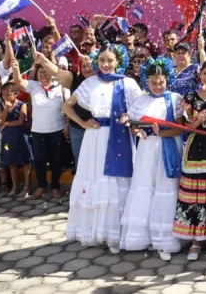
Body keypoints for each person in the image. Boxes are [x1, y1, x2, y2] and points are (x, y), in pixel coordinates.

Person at [63, 44, 143, 253]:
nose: (105, 65)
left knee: (117, 183)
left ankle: (118, 233)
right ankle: (98, 232)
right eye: (101, 61)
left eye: (109, 60)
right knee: (98, 180)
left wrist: (131, 120)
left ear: (118, 61)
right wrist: (82, 123)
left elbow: (140, 110)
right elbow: (66, 105)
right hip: (96, 139)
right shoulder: (89, 83)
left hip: (120, 138)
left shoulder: (128, 84)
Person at [119, 58, 184, 261]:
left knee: (166, 189)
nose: (157, 86)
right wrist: (135, 128)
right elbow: (128, 119)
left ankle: (165, 239)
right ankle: (142, 237)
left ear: (167, 80)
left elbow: (179, 128)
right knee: (145, 187)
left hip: (167, 148)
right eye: (153, 82)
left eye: (161, 82)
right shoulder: (142, 100)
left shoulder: (175, 99)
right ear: (146, 82)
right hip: (146, 149)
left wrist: (161, 133)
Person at [174, 60, 206, 261]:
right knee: (193, 194)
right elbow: (185, 127)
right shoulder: (189, 97)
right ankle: (195, 239)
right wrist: (198, 121)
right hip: (195, 148)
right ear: (200, 75)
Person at [13, 57, 69, 200]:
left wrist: (67, 124)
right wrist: (16, 69)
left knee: (56, 160)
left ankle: (55, 187)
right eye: (41, 72)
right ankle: (41, 186)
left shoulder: (61, 86)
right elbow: (19, 82)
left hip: (57, 130)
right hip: (38, 131)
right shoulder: (33, 86)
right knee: (39, 160)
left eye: (46, 72)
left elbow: (68, 106)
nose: (44, 75)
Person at [34, 52, 94, 173]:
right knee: (80, 159)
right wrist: (44, 60)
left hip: (97, 128)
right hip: (77, 128)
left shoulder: (105, 82)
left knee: (95, 160)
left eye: (90, 65)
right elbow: (56, 72)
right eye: (84, 66)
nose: (87, 69)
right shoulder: (74, 79)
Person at [0, 82, 31, 197]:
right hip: (8, 137)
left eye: (8, 94)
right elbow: (0, 121)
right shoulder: (3, 106)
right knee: (11, 161)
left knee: (24, 161)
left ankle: (26, 187)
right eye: (3, 95)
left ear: (15, 94)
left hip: (20, 136)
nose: (5, 97)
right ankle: (14, 186)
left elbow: (20, 121)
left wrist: (7, 123)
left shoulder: (22, 105)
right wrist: (6, 110)